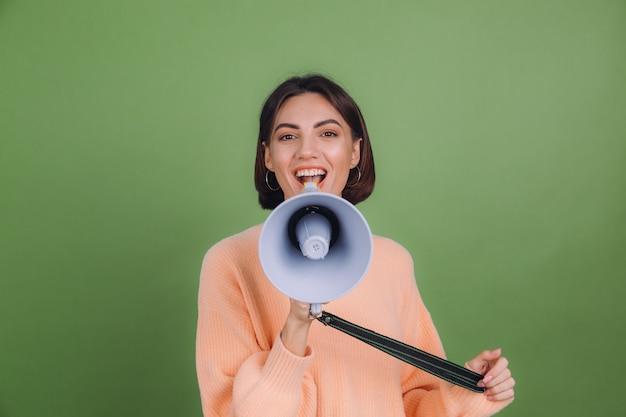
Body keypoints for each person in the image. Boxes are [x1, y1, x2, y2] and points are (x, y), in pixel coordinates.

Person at [196, 74, 515, 417]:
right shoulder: (231, 262)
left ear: (354, 152)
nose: (307, 151)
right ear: (269, 157)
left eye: (328, 133)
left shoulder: (392, 261)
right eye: (288, 136)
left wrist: (467, 393)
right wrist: (295, 327)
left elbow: (410, 403)